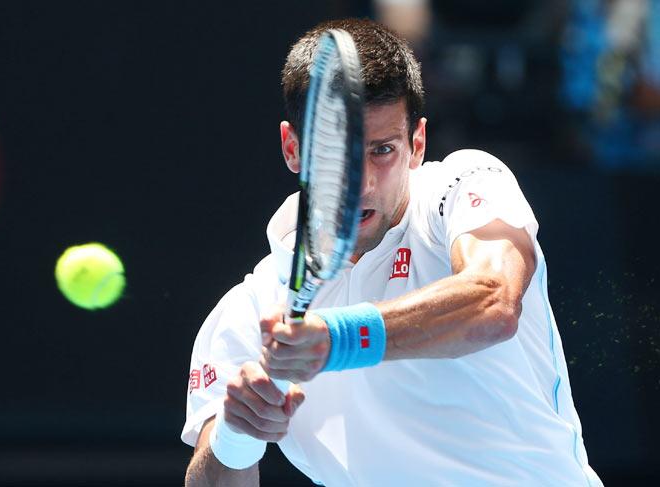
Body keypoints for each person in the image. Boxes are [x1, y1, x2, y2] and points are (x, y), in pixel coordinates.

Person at [182, 18, 602, 486]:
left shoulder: (461, 187)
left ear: (417, 142)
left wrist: (335, 340)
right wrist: (237, 436)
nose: (361, 184)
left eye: (382, 150)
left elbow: (494, 302)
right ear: (292, 148)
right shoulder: (248, 312)